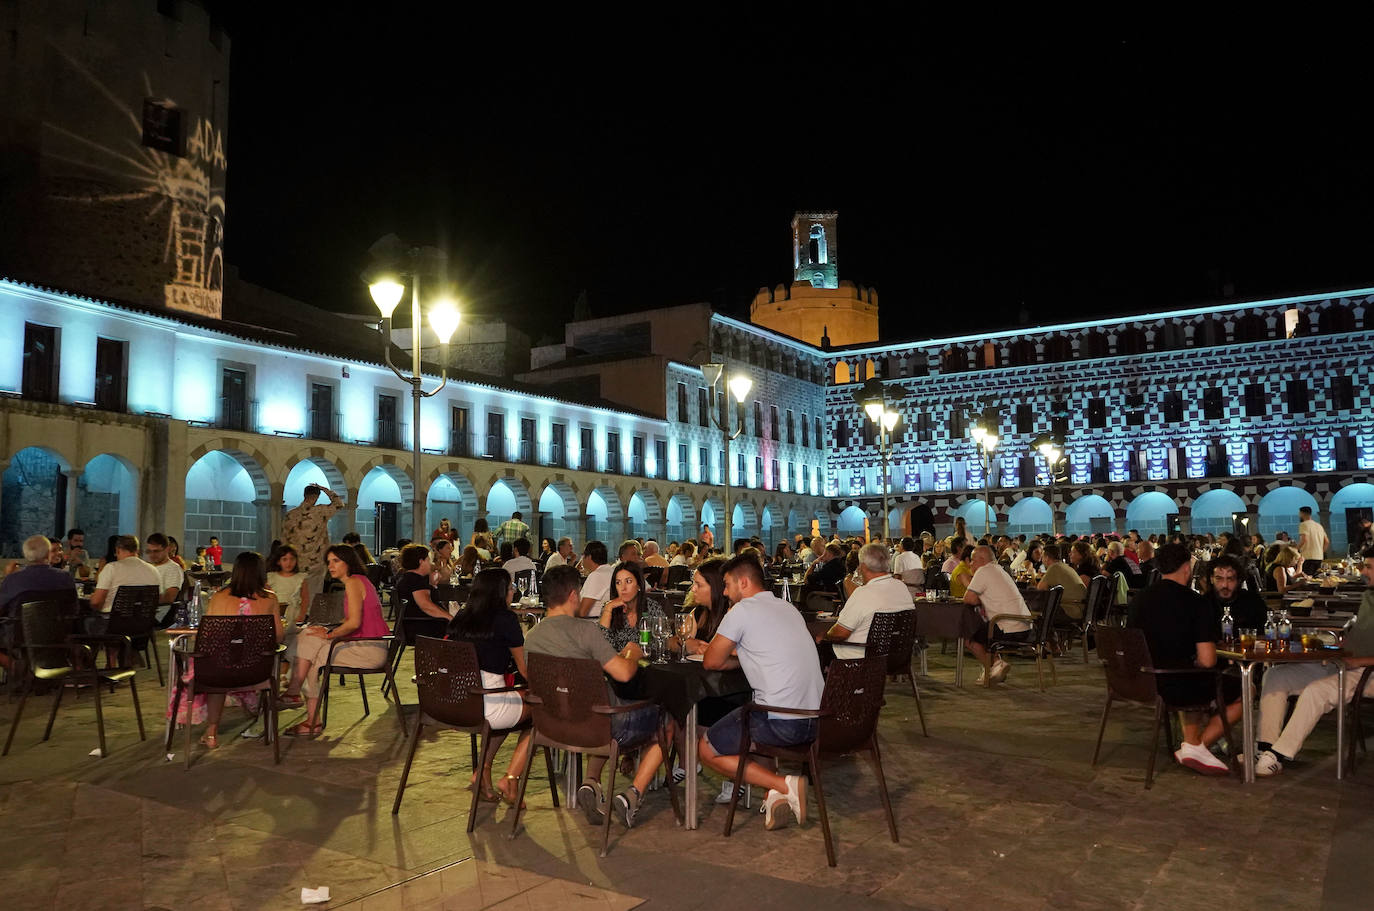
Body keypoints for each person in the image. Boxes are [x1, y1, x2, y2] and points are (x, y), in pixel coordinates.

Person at [524, 564, 663, 829]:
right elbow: (622, 674)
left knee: (597, 712)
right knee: (667, 719)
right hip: (595, 725)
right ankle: (633, 794)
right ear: (574, 595)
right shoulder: (584, 631)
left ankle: (590, 782)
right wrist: (633, 653)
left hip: (553, 726)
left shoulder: (531, 637)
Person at [699, 555, 824, 831]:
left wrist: (732, 656)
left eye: (728, 584)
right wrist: (745, 658)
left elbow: (711, 661)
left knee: (707, 749)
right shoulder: (787, 608)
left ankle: (783, 784)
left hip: (782, 723)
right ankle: (775, 795)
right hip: (817, 721)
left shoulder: (741, 612)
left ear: (743, 582)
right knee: (750, 717)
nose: (725, 592)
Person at [1252, 547, 1374, 776]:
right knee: (1276, 676)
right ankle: (1265, 747)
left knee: (1316, 692)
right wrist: (1337, 646)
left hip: (1368, 671)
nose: (1362, 571)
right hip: (1346, 663)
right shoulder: (1369, 595)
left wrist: (1359, 660)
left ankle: (1280, 754)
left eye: (1368, 566)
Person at [1127, 543, 1242, 775]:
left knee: (1193, 676)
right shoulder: (1196, 603)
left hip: (1140, 681)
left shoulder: (1139, 600)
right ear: (1187, 568)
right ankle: (1197, 746)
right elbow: (1208, 661)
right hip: (1174, 683)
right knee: (1243, 690)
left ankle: (1192, 744)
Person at [172, 551, 284, 748]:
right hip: (255, 671)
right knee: (238, 665)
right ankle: (255, 714)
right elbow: (278, 636)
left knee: (216, 667)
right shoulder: (270, 599)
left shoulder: (219, 597)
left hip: (218, 671)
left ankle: (212, 732)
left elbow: (208, 636)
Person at [278, 545, 391, 737]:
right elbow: (353, 619)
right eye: (329, 561)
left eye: (336, 561)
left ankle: (296, 696)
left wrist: (329, 635)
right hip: (368, 645)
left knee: (310, 644)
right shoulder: (359, 581)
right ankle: (303, 706)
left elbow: (354, 623)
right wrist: (328, 629)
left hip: (369, 649)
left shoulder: (354, 582)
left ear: (349, 563)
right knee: (310, 639)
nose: (331, 566)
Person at [447, 567, 533, 805]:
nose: (513, 591)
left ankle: (482, 769)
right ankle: (511, 777)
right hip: (487, 701)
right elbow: (524, 670)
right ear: (500, 592)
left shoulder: (461, 618)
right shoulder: (506, 619)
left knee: (507, 711)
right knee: (542, 710)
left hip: (455, 703)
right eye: (511, 587)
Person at [0, 535, 77, 672]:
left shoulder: (14, 579)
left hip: (20, 634)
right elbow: (74, 608)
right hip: (58, 634)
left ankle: (13, 665)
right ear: (48, 553)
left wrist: (7, 578)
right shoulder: (65, 577)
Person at [825, 543, 913, 660]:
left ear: (863, 567)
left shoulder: (863, 593)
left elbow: (840, 633)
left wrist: (824, 635)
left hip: (861, 657)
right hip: (897, 656)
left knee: (820, 646)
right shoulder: (901, 587)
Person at [963, 545, 1032, 685]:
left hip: (1007, 627)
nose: (970, 564)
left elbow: (969, 598)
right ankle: (996, 666)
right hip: (1025, 627)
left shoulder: (983, 571)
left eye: (972, 560)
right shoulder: (1000, 570)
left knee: (969, 638)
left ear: (982, 560)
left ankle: (994, 666)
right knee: (985, 630)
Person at [282, 484, 345, 603]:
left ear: (304, 495)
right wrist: (325, 489)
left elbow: (284, 539)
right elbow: (339, 504)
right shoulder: (320, 511)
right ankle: (309, 618)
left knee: (295, 596)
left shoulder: (290, 514)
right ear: (316, 497)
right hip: (315, 562)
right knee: (313, 596)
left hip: (295, 562)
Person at [88, 535, 161, 635]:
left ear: (118, 550)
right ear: (137, 550)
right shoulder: (153, 570)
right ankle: (128, 650)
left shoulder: (112, 568)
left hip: (113, 626)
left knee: (84, 623)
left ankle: (109, 650)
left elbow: (96, 602)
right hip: (143, 626)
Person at [599, 561, 664, 651]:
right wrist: (608, 609)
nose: (623, 588)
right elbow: (600, 648)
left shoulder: (652, 607)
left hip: (649, 663)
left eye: (628, 581)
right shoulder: (609, 609)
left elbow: (664, 642)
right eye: (618, 583)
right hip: (618, 663)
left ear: (638, 585)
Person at [392, 543, 451, 640]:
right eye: (428, 560)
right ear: (421, 562)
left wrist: (433, 585)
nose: (431, 564)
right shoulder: (416, 580)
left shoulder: (407, 578)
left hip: (411, 625)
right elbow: (426, 606)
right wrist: (450, 618)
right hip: (422, 627)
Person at [267, 543, 309, 663]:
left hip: (293, 613)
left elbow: (305, 598)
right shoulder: (271, 577)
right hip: (276, 613)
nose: (288, 563)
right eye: (284, 559)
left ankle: (288, 664)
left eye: (292, 559)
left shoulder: (300, 578)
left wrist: (302, 614)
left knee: (292, 640)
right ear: (278, 561)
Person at [1205, 555, 1266, 632]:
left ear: (1238, 580)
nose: (1225, 585)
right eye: (1219, 579)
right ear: (1211, 579)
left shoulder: (1253, 602)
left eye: (1230, 579)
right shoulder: (1203, 604)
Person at [1038, 543, 1087, 620]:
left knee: (1038, 610)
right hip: (1081, 607)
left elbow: (1040, 589)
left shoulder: (1054, 567)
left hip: (1071, 609)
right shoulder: (1065, 566)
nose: (1042, 560)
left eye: (1043, 557)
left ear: (1047, 558)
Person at [143, 532, 185, 614]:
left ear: (167, 549)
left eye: (156, 551)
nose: (152, 555)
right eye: (149, 551)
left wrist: (144, 599)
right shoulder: (147, 567)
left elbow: (169, 598)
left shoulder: (173, 569)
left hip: (160, 613)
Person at [578, 541, 614, 618]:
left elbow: (582, 612)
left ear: (589, 557)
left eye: (583, 555)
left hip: (593, 623)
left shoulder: (596, 575)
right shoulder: (611, 571)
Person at [1297, 506, 1329, 576]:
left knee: (1306, 579)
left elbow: (1304, 540)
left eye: (1299, 513)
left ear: (1302, 513)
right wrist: (1321, 551)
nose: (1299, 515)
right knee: (1315, 579)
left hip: (1307, 557)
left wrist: (1295, 549)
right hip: (1319, 557)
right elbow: (1326, 542)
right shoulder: (1319, 526)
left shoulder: (1303, 524)